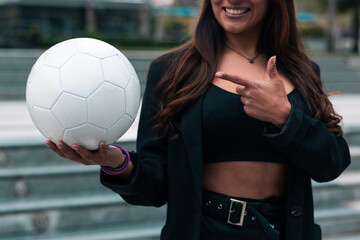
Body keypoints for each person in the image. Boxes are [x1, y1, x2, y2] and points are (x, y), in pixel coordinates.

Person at [46, 0, 351, 239]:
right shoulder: (172, 71)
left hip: (283, 230)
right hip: (203, 230)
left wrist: (285, 117)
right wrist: (116, 162)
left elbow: (331, 163)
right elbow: (156, 186)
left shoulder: (301, 70)